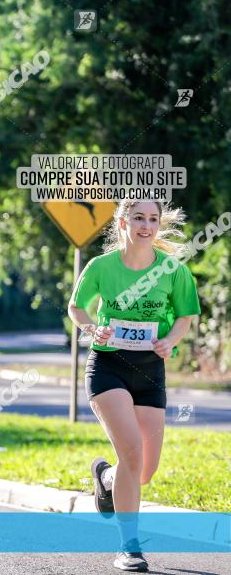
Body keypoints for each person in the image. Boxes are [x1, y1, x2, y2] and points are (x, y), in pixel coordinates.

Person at [68, 200, 200, 573]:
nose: (146, 225)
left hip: (149, 370)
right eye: (138, 218)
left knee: (144, 470)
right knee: (131, 453)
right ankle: (130, 547)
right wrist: (92, 327)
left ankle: (106, 478)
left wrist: (170, 340)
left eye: (153, 219)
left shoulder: (174, 272)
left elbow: (185, 317)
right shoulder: (100, 267)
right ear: (123, 222)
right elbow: (76, 308)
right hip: (108, 366)